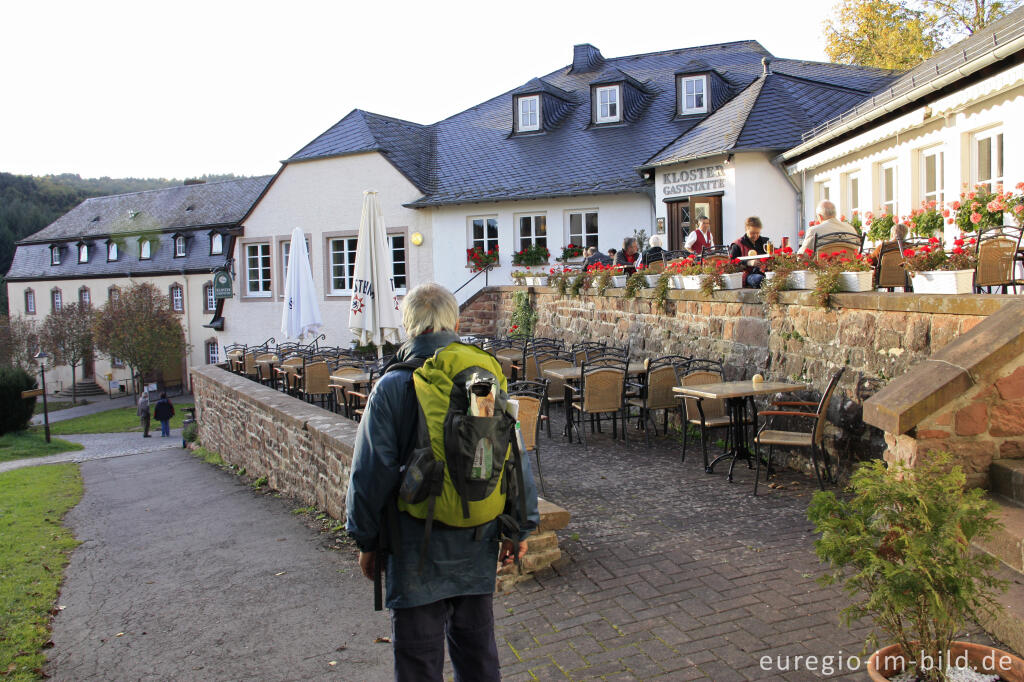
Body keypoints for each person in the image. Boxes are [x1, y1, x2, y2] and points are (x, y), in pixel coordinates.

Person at [346, 282, 540, 682]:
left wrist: (366, 541)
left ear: (409, 325)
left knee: (419, 664)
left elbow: (370, 473)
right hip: (476, 537)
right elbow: (513, 456)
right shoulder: (482, 379)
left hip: (414, 545)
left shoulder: (393, 386)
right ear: (454, 321)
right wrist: (520, 527)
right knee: (478, 655)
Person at [729, 216, 772, 288]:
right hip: (748, 274)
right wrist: (748, 262)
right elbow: (732, 263)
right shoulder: (737, 244)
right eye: (752, 233)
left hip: (764, 272)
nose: (755, 236)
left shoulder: (764, 242)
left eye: (758, 233)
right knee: (759, 280)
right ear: (746, 229)